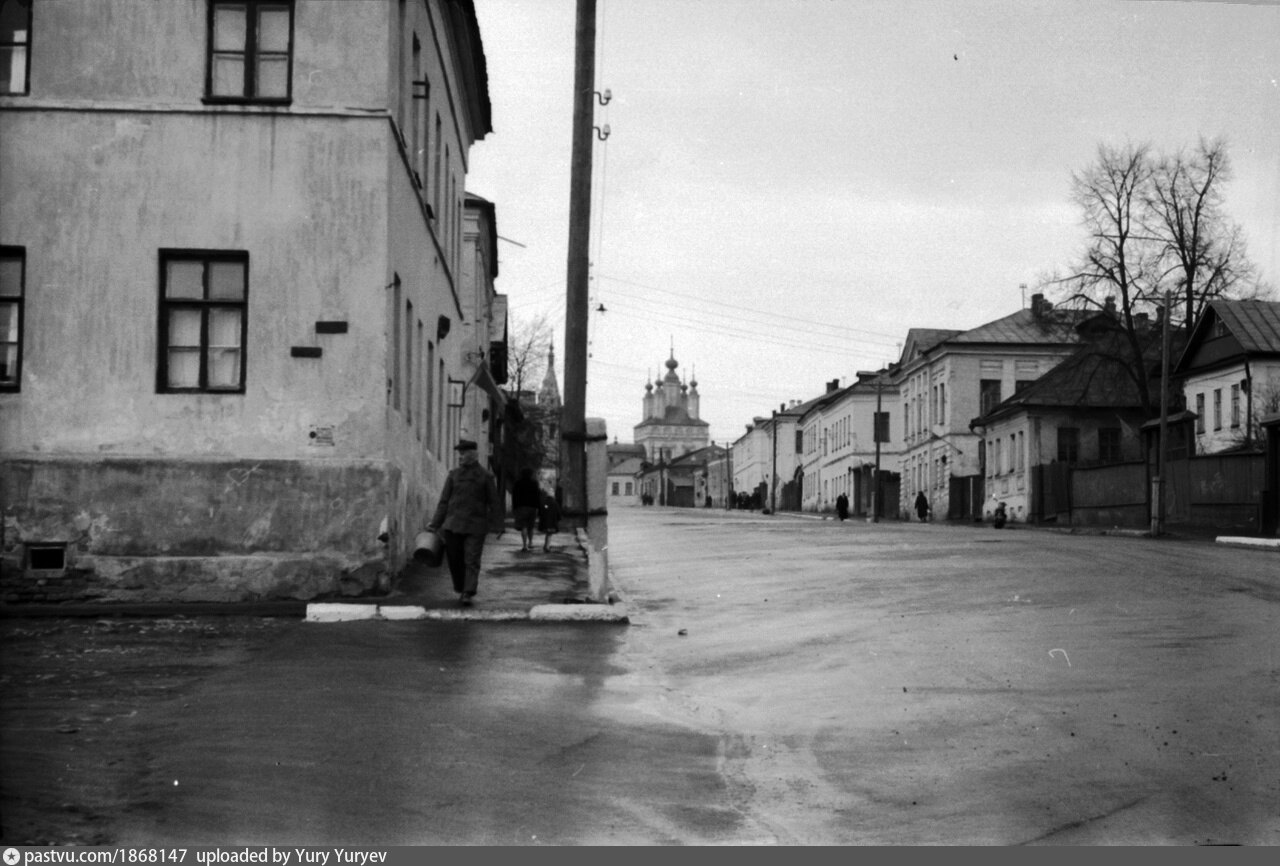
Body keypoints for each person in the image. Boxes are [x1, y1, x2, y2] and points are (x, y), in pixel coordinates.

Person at [427, 439, 502, 606]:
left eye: (463, 454)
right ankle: (462, 587)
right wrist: (435, 523)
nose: (460, 457)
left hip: (475, 526)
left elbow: (494, 501)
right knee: (454, 559)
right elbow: (444, 501)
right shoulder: (453, 475)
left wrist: (498, 524)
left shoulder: (485, 476)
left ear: (473, 455)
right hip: (453, 525)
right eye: (459, 454)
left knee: (472, 560)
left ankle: (468, 592)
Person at [510, 467, 541, 552]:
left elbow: (514, 496)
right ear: (531, 474)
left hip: (521, 507)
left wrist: (514, 507)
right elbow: (537, 496)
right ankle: (530, 542)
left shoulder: (518, 483)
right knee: (530, 526)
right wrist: (538, 507)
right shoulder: (534, 483)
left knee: (524, 526)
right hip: (532, 507)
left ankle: (524, 545)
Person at [537, 488, 562, 553]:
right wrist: (559, 519)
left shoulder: (544, 502)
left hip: (544, 522)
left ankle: (546, 545)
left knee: (548, 534)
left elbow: (540, 512)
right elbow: (558, 513)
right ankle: (547, 547)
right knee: (549, 534)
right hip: (552, 522)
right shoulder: (555, 503)